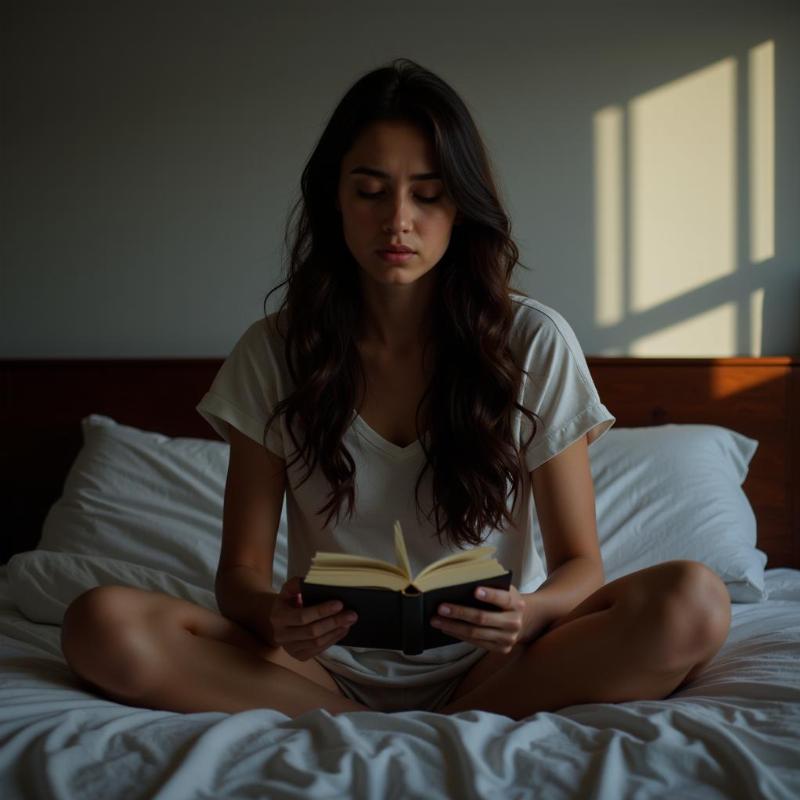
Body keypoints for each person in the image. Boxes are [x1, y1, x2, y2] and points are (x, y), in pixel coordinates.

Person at [61, 59, 731, 719]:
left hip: (493, 661)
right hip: (316, 667)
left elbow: (581, 563)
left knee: (694, 602)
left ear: (461, 205)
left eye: (428, 193)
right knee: (99, 625)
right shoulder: (272, 352)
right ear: (336, 197)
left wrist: (531, 615)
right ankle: (366, 721)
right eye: (371, 190)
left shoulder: (532, 342)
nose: (398, 221)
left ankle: (458, 715)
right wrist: (276, 615)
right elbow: (238, 577)